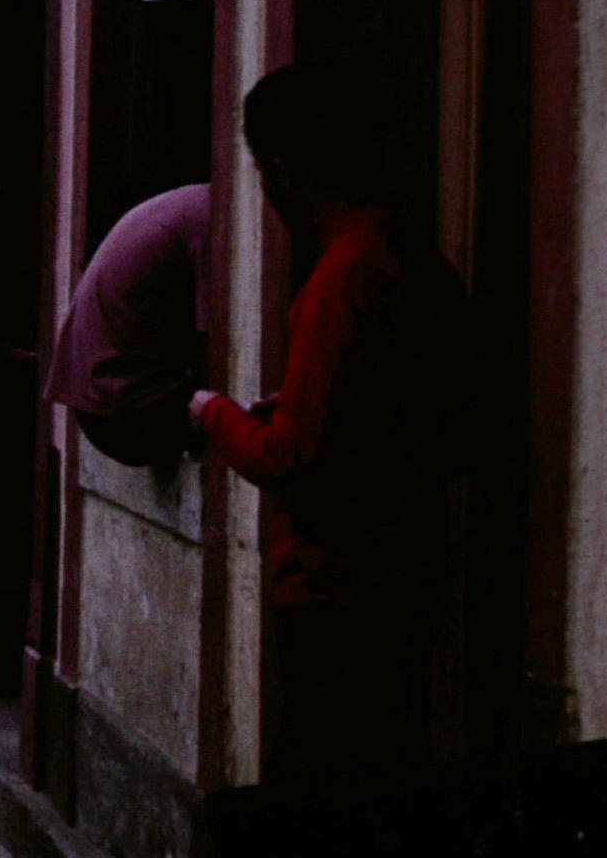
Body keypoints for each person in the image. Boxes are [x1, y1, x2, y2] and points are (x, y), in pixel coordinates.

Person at [189, 65, 468, 786]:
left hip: (331, 589)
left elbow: (290, 456)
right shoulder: (407, 255)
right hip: (409, 572)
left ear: (283, 171)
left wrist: (210, 412)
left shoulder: (341, 276)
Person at [46, 183, 208, 466]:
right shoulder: (212, 220)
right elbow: (215, 342)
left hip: (95, 408)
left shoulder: (185, 204)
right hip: (127, 417)